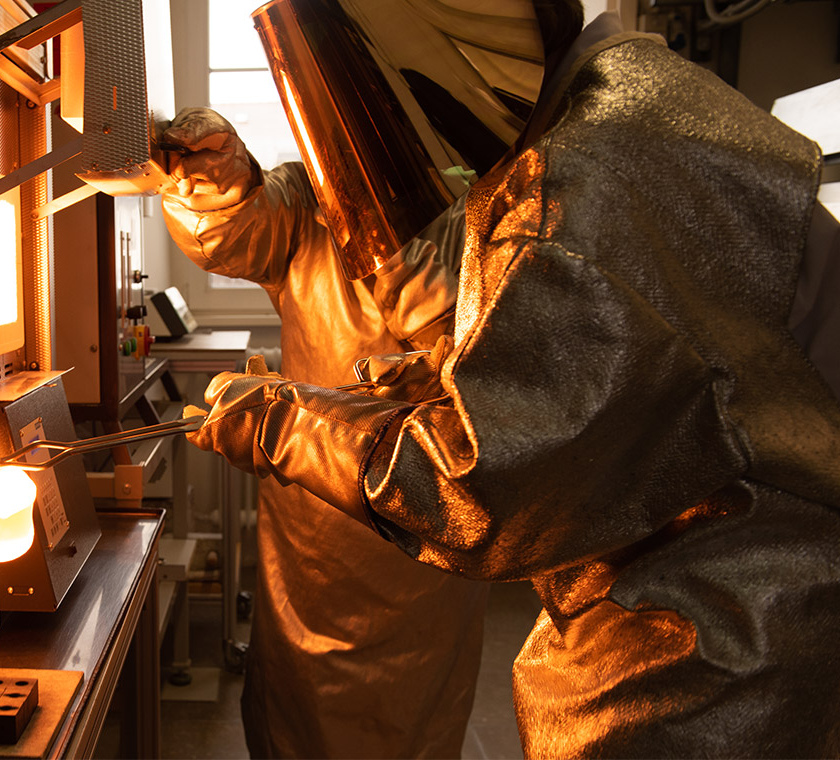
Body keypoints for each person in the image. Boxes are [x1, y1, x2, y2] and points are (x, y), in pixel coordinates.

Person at [182, 0, 840, 757]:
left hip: (718, 635)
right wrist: (448, 374)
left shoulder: (572, 182)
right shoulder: (635, 96)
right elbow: (657, 365)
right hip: (756, 590)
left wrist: (286, 422)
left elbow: (488, 487)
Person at [159, 106, 490, 759]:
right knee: (303, 709)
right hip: (318, 522)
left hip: (429, 518)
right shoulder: (310, 195)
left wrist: (439, 333)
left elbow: (509, 369)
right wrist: (216, 180)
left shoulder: (479, 204)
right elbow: (233, 234)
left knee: (412, 716)